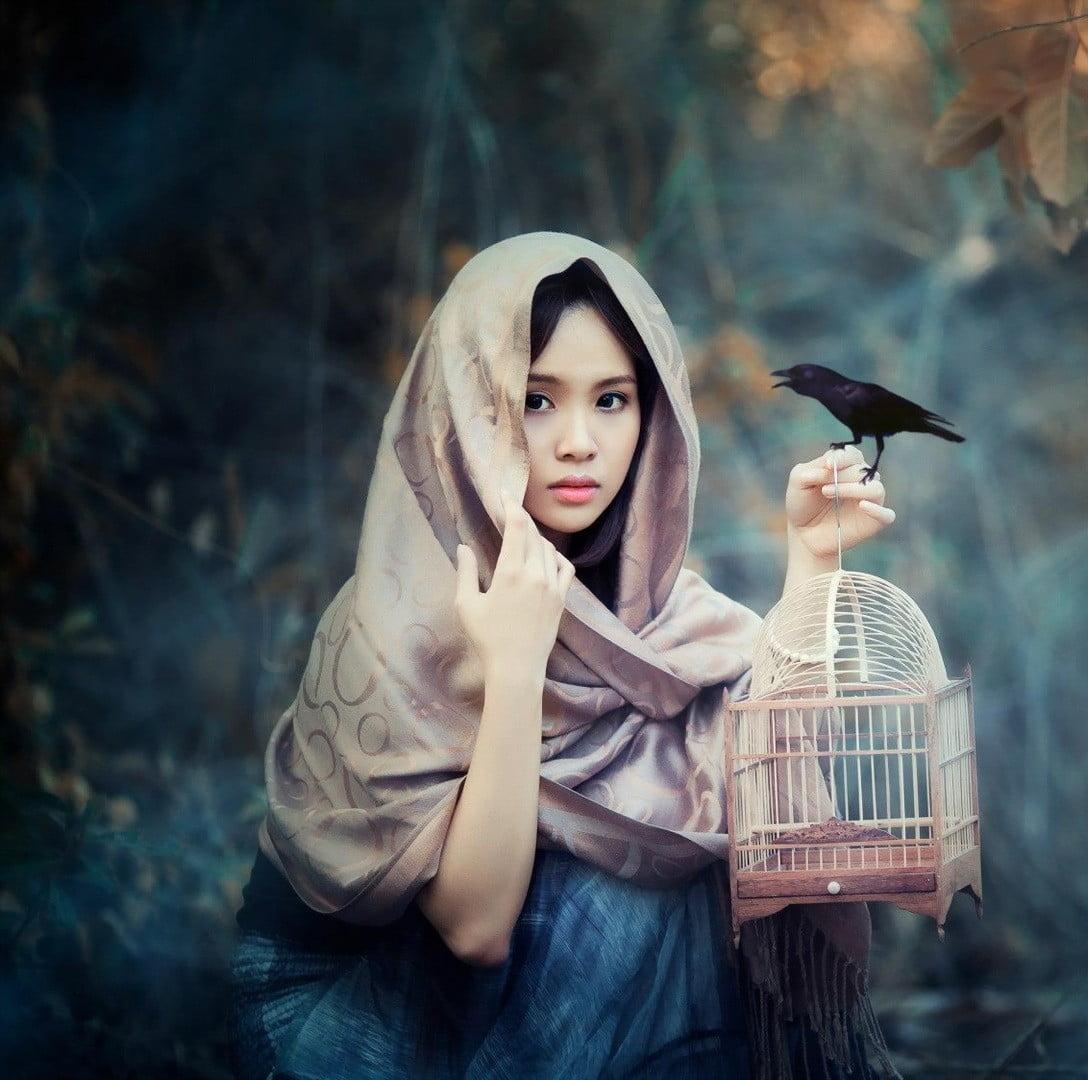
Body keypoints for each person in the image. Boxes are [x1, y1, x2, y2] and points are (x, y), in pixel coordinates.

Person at [226, 232, 903, 1079]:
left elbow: (776, 794)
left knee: (683, 850)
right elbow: (475, 932)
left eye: (611, 400)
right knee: (623, 883)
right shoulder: (386, 624)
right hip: (341, 1020)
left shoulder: (651, 614)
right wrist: (514, 665)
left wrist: (812, 563)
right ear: (472, 410)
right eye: (537, 400)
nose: (580, 441)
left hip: (534, 1010)